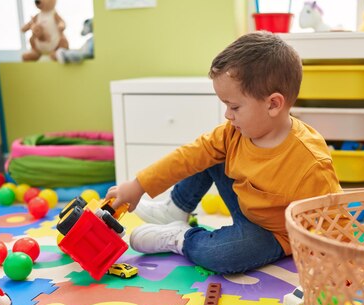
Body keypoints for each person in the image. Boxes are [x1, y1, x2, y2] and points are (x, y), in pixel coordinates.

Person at [106, 31, 341, 275]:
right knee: (206, 153)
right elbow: (188, 156)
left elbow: (336, 219)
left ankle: (179, 237)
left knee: (222, 255)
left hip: (273, 233)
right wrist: (138, 185)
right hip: (244, 204)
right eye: (226, 105)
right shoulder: (233, 132)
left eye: (235, 106)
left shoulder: (310, 162)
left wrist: (335, 268)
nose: (228, 115)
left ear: (273, 104)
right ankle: (175, 209)